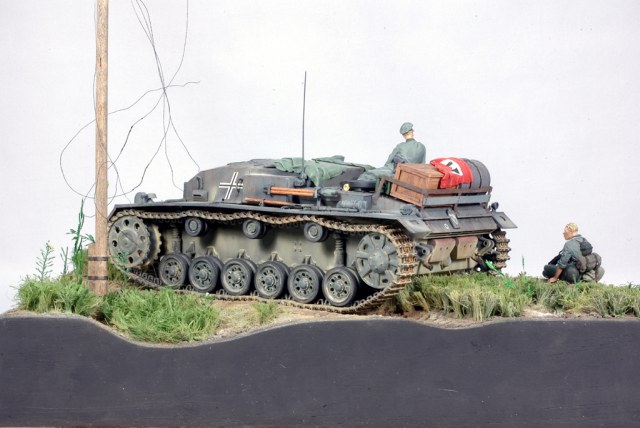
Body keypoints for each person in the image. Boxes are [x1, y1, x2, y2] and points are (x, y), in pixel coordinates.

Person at [358, 122, 426, 182]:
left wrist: (385, 167)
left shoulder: (400, 146)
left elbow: (390, 159)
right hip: (411, 174)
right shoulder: (422, 146)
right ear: (412, 132)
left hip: (395, 170)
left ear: (403, 135)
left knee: (368, 174)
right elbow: (423, 164)